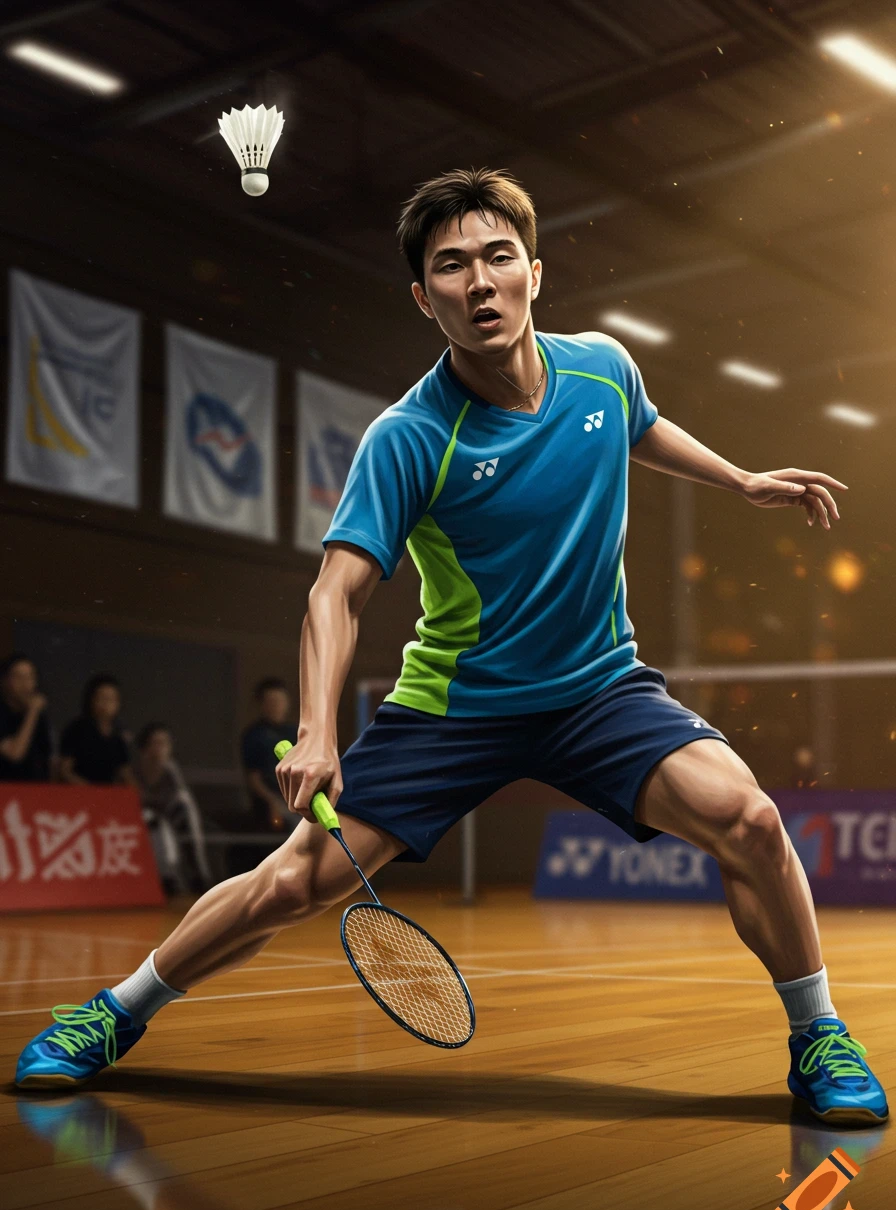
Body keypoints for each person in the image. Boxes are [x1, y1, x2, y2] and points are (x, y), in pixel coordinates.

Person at [14, 168, 888, 1128]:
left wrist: (741, 479)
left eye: (497, 258)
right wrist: (315, 729)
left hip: (599, 688)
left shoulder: (602, 366)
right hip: (457, 704)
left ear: (535, 273)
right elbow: (335, 590)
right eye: (452, 267)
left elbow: (637, 427)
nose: (479, 283)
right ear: (424, 298)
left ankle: (816, 1037)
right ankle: (110, 1015)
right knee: (297, 880)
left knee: (752, 820)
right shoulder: (409, 437)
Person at [134, 722, 211, 893]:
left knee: (185, 816)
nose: (162, 748)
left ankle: (199, 875)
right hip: (143, 819)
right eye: (157, 743)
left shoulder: (171, 770)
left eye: (165, 743)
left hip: (170, 816)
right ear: (145, 747)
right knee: (158, 827)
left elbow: (179, 798)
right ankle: (166, 878)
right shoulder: (134, 771)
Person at [240, 678, 298, 833]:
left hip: (299, 799)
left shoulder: (296, 732)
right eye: (271, 701)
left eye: (280, 701)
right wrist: (273, 802)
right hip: (270, 804)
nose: (277, 706)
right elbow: (253, 778)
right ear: (261, 704)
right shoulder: (254, 736)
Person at [58, 674, 134, 787]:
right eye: (102, 698)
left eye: (111, 699)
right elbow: (65, 771)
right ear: (91, 700)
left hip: (108, 794)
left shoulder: (119, 733)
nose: (106, 704)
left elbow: (124, 771)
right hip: (80, 793)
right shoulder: (76, 729)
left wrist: (135, 793)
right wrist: (90, 789)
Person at [0, 653, 53, 782]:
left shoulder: (39, 717)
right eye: (18, 677)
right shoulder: (31, 712)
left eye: (30, 677)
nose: (25, 684)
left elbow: (47, 758)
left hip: (35, 791)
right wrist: (33, 711)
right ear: (5, 680)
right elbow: (15, 753)